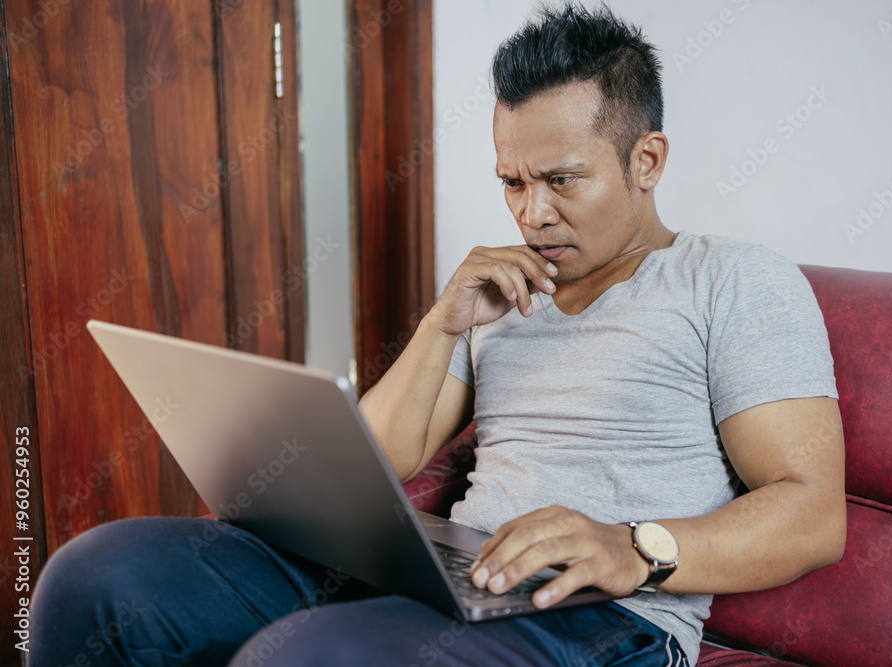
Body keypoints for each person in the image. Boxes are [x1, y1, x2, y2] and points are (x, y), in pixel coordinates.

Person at [29, 4, 845, 665]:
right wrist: (440, 323)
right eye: (512, 182)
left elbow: (812, 514)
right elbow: (380, 466)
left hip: (608, 619)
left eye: (562, 179)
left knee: (313, 656)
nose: (532, 212)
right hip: (452, 577)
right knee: (97, 576)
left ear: (647, 160)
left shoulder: (733, 279)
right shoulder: (501, 288)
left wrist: (634, 546)